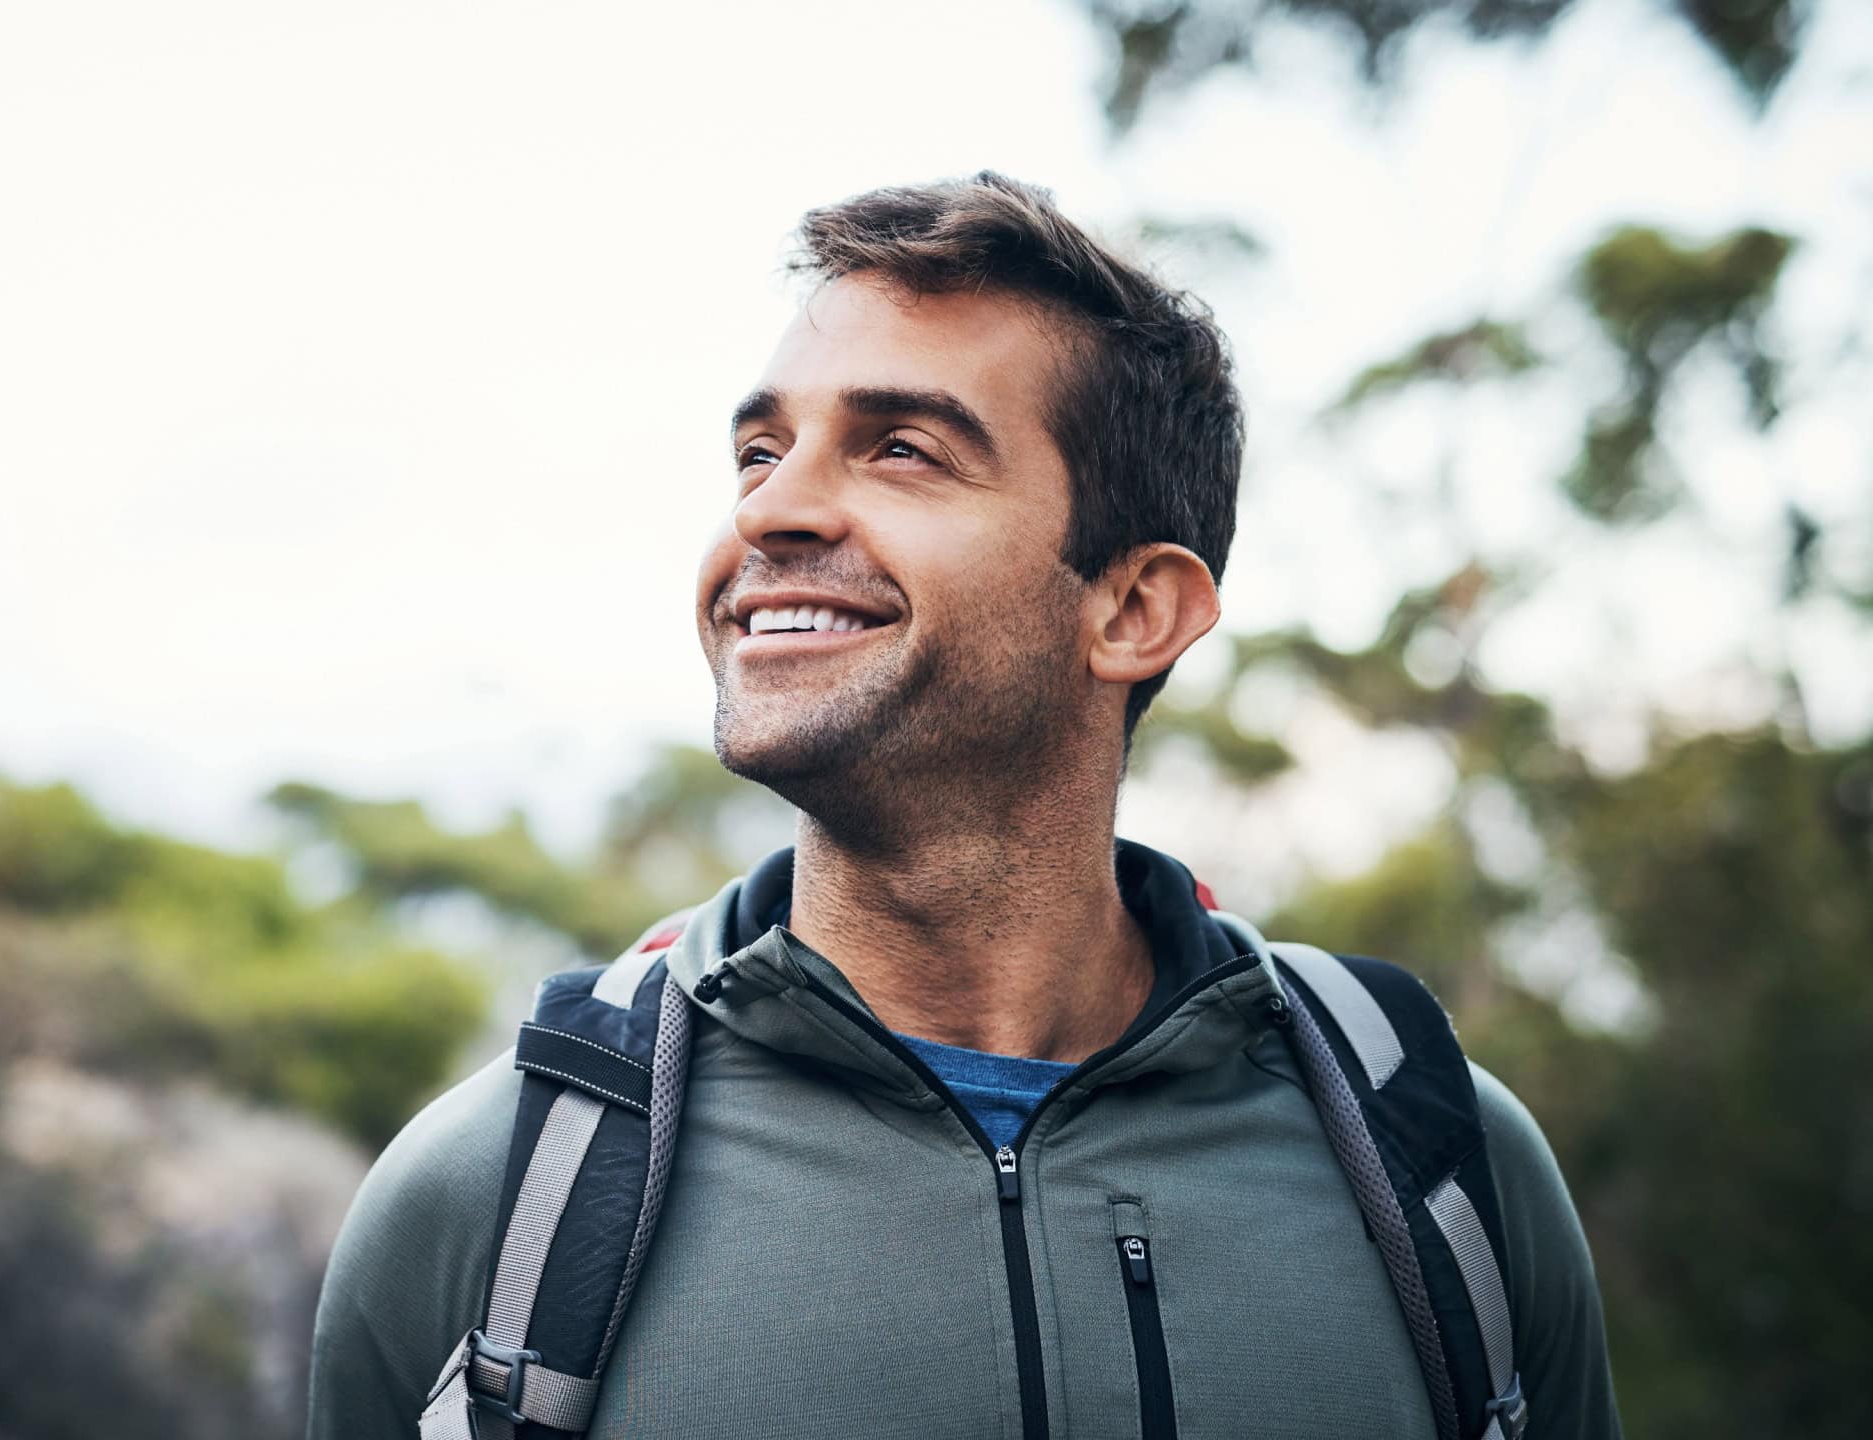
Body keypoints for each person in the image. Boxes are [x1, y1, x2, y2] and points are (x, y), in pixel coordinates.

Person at [307, 172, 1620, 1439]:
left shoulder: (1443, 1169)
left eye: (902, 450)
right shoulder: (489, 1200)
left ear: (1133, 609)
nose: (772, 510)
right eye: (759, 452)